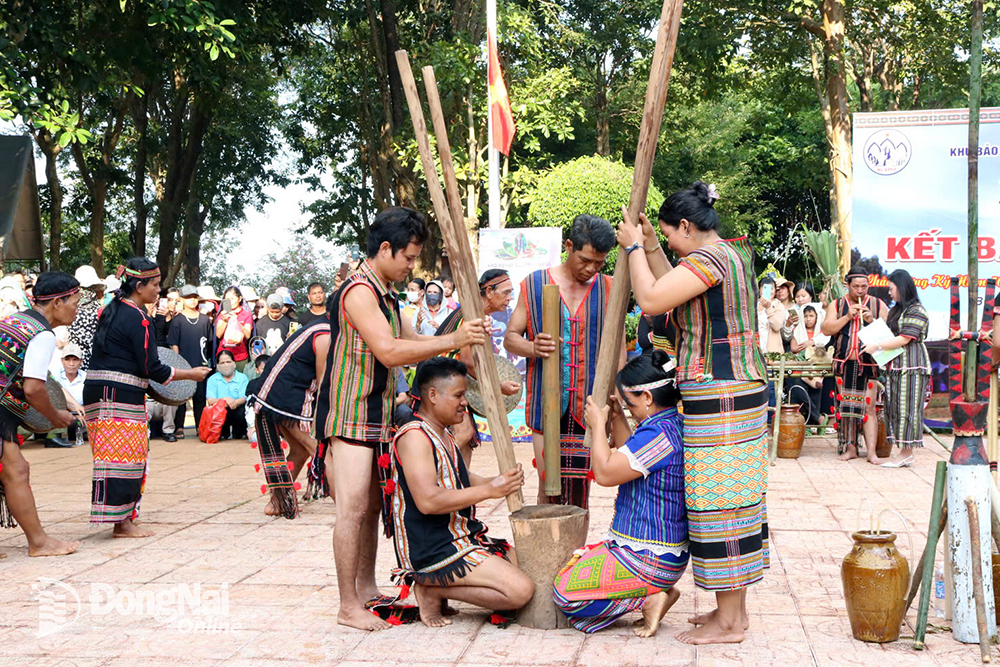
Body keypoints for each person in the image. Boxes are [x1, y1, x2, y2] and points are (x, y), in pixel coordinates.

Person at [311, 206, 487, 632]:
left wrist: (465, 360)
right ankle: (347, 604)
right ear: (385, 249)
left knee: (371, 509)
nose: (411, 267)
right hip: (350, 415)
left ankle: (367, 591)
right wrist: (455, 337)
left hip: (379, 412)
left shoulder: (385, 293)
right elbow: (390, 351)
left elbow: (415, 341)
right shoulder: (358, 291)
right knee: (352, 509)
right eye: (408, 258)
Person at [618, 181, 768, 645]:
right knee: (735, 501)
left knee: (717, 504)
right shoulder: (731, 254)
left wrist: (632, 251)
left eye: (670, 236)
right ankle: (734, 615)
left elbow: (651, 299)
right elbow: (673, 281)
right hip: (737, 389)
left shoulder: (710, 261)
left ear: (686, 226)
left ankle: (727, 622)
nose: (669, 245)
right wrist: (649, 245)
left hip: (719, 393)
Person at [388, 357, 532, 628]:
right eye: (458, 395)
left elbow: (459, 478)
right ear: (432, 395)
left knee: (523, 562)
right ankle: (431, 588)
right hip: (433, 547)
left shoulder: (442, 433)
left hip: (459, 534)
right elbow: (428, 501)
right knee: (520, 591)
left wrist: (498, 481)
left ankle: (440, 587)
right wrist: (489, 490)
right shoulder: (415, 436)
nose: (465, 402)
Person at [554, 351, 687, 636]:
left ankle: (648, 597)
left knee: (565, 594)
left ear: (648, 398)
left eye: (630, 403)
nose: (628, 408)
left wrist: (597, 427)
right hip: (659, 555)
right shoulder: (668, 425)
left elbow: (604, 473)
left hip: (649, 558)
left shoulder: (657, 436)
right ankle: (655, 590)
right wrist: (615, 417)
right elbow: (631, 455)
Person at [85, 258, 212, 538]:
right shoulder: (138, 317)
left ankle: (122, 517)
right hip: (119, 393)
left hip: (97, 390)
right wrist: (190, 375)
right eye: (154, 284)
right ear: (139, 285)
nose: (159, 290)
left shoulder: (111, 309)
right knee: (127, 455)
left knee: (111, 456)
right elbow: (151, 368)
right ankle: (122, 523)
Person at [504, 214, 621, 509]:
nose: (591, 269)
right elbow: (510, 338)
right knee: (549, 486)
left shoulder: (610, 288)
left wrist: (616, 390)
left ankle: (575, 555)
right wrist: (533, 347)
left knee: (581, 492)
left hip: (590, 405)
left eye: (599, 263)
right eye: (585, 260)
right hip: (547, 405)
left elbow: (617, 345)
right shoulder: (533, 285)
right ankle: (551, 554)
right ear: (569, 246)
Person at [0, 272, 83, 556]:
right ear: (58, 302)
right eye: (75, 301)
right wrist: (56, 416)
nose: (77, 308)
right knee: (16, 471)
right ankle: (38, 542)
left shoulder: (14, 319)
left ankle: (38, 541)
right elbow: (34, 389)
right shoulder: (42, 334)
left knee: (15, 470)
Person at [433, 269, 521, 465]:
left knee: (464, 447)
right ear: (489, 291)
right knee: (464, 431)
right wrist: (498, 386)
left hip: (446, 381)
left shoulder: (475, 313)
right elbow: (468, 362)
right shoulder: (473, 316)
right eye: (506, 292)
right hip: (441, 382)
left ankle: (457, 488)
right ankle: (434, 470)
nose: (509, 298)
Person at [248, 313, 330, 518]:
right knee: (317, 449)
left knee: (301, 451)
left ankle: (278, 501)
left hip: (284, 393)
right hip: (284, 397)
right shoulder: (325, 334)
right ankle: (347, 501)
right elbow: (323, 382)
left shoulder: (323, 329)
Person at [860, 270, 930, 468]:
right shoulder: (898, 310)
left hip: (912, 366)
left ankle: (907, 453)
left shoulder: (916, 310)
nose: (889, 292)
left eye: (891, 288)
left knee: (907, 408)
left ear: (901, 287)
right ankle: (903, 453)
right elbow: (891, 334)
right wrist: (871, 324)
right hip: (896, 366)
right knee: (896, 408)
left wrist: (877, 345)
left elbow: (904, 338)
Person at [821, 267, 888, 464]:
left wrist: (871, 321)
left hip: (869, 363)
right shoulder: (837, 304)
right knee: (847, 407)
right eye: (856, 286)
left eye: (864, 286)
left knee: (869, 408)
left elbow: (888, 336)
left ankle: (871, 453)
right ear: (847, 286)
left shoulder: (877, 304)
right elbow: (826, 330)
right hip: (844, 363)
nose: (860, 290)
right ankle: (851, 449)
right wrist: (847, 317)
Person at [168, 285, 212, 431]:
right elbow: (174, 344)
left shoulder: (205, 319)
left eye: (194, 297)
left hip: (201, 362)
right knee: (182, 396)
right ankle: (179, 426)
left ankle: (201, 427)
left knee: (200, 397)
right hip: (183, 364)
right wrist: (178, 363)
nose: (192, 300)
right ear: (181, 299)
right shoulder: (177, 320)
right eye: (188, 297)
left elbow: (209, 342)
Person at [68, 265, 106, 370]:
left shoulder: (97, 307)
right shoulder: (74, 310)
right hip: (80, 361)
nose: (89, 291)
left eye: (91, 287)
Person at [206, 350, 249, 441]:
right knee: (219, 412)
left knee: (242, 412)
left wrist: (234, 402)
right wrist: (225, 400)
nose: (226, 365)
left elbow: (244, 397)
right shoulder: (212, 379)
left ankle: (239, 433)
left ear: (234, 363)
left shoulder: (242, 378)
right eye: (222, 363)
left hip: (237, 407)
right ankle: (223, 434)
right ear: (217, 366)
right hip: (220, 409)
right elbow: (210, 400)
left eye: (228, 362)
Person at [54, 343, 87, 447]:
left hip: (82, 416)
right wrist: (75, 408)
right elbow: (58, 394)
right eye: (67, 359)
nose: (71, 364)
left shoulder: (86, 377)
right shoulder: (55, 374)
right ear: (62, 361)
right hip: (60, 414)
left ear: (81, 362)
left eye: (75, 360)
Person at [216, 286, 253, 371]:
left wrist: (237, 321)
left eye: (232, 298)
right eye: (227, 299)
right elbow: (218, 335)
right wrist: (225, 320)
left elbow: (247, 335)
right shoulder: (223, 314)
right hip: (224, 355)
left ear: (239, 299)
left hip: (240, 356)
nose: (230, 302)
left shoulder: (246, 314)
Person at [758, 276, 786, 354]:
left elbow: (777, 326)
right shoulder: (753, 305)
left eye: (771, 288)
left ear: (775, 290)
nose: (769, 291)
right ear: (759, 290)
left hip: (772, 352)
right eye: (765, 288)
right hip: (755, 349)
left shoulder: (779, 305)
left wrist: (768, 308)